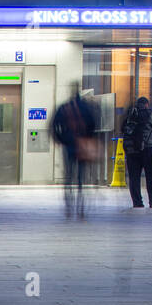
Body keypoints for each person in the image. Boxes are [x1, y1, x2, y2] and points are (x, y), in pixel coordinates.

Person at [51, 84, 99, 218]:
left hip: (69, 146)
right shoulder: (86, 108)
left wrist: (62, 139)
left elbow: (55, 125)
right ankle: (81, 205)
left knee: (69, 175)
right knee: (80, 177)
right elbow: (93, 125)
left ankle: (69, 204)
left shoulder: (64, 108)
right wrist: (88, 139)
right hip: (82, 146)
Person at [122, 96, 152, 209]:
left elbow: (123, 129)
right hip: (148, 148)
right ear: (147, 105)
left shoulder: (130, 115)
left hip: (132, 151)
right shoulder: (150, 114)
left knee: (134, 177)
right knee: (151, 177)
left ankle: (137, 202)